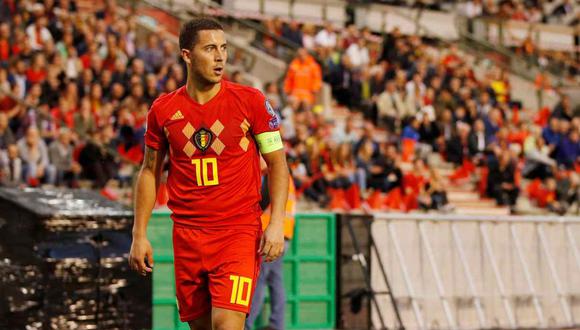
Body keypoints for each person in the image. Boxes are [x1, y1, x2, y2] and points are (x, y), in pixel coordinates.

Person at [128, 18, 290, 330]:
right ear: (187, 55)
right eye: (210, 48)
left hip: (236, 234)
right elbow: (149, 171)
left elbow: (279, 164)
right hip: (187, 236)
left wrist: (277, 221)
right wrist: (139, 234)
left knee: (227, 325)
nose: (220, 57)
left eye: (224, 48)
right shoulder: (163, 111)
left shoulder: (251, 102)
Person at [245, 159, 296, 330]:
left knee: (259, 282)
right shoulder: (284, 175)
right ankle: (276, 324)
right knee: (275, 282)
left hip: (270, 237)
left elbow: (261, 203)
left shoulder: (273, 175)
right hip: (283, 235)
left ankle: (246, 324)